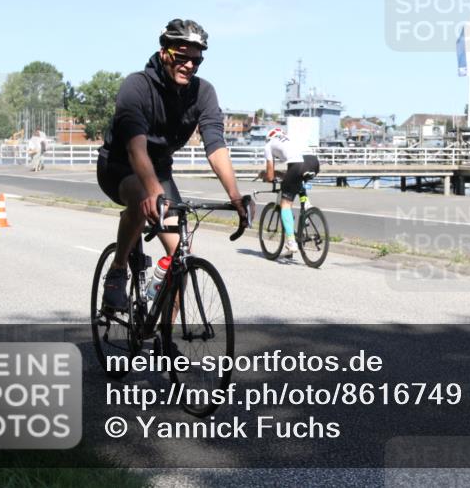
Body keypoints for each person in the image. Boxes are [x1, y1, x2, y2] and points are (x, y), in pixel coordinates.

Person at [96, 18, 250, 310]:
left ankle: (165, 342)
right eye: (182, 57)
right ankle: (117, 270)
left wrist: (235, 195)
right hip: (120, 165)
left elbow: (215, 146)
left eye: (196, 60)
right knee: (143, 198)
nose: (190, 65)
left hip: (160, 169)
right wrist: (154, 192)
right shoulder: (136, 86)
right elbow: (135, 148)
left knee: (180, 257)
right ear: (164, 52)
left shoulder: (203, 92)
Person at [262, 127, 320, 257]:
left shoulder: (269, 145)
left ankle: (291, 242)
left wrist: (265, 175)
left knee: (286, 204)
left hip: (298, 165)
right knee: (297, 181)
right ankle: (307, 206)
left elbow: (270, 177)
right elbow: (291, 175)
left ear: (269, 138)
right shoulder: (289, 140)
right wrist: (280, 174)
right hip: (313, 162)